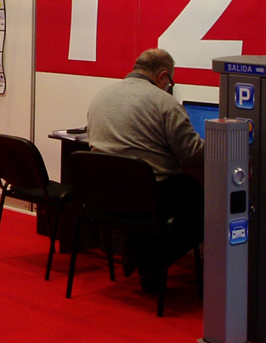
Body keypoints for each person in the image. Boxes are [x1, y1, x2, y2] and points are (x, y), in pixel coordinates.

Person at [86, 48, 204, 293]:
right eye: (170, 82)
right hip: (149, 197)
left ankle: (139, 251)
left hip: (106, 195)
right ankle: (152, 260)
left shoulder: (101, 95)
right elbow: (190, 152)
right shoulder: (165, 103)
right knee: (201, 203)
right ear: (163, 76)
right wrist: (222, 143)